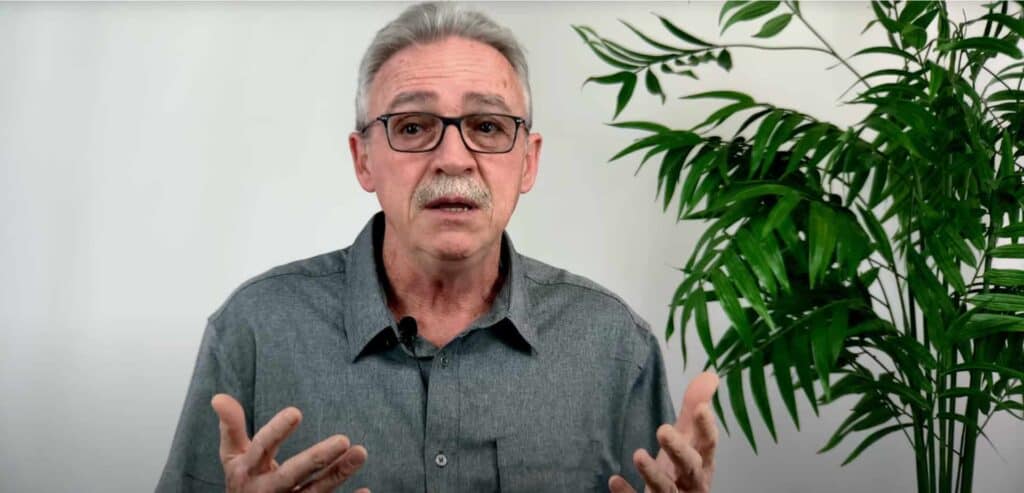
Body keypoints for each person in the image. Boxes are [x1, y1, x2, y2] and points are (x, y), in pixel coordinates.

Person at [156, 3, 719, 492]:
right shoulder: (255, 329)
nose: (453, 158)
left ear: (529, 161)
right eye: (412, 126)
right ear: (363, 159)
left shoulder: (615, 346)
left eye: (489, 127)